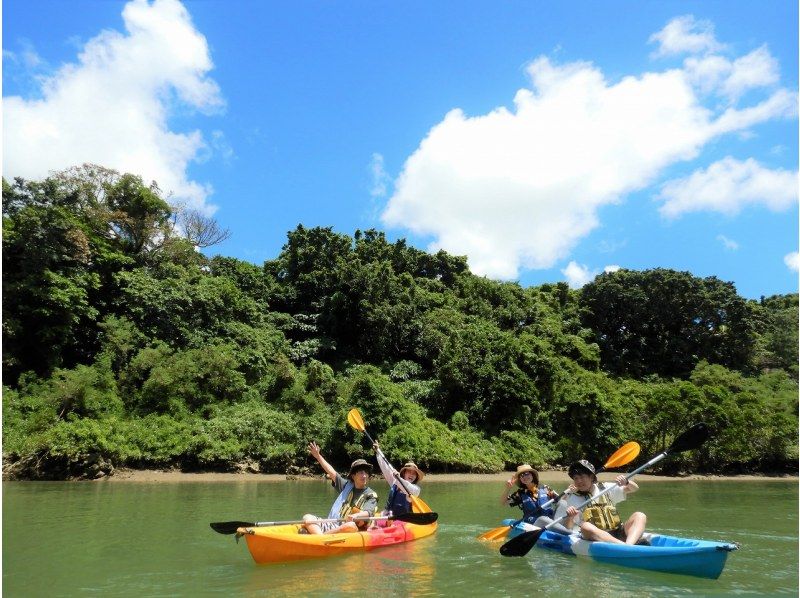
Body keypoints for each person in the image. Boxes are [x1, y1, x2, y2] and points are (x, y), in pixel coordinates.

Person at [539, 459, 647, 545]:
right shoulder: (573, 498)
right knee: (585, 527)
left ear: (591, 477)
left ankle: (628, 546)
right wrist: (570, 517)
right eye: (576, 478)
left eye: (582, 477)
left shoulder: (606, 488)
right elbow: (569, 528)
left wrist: (627, 482)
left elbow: (634, 488)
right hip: (596, 537)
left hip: (618, 532)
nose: (579, 481)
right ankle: (625, 547)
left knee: (640, 515)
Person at [301, 441, 378, 535]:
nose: (364, 476)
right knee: (307, 517)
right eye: (361, 472)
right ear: (353, 476)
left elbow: (368, 512)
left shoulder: (371, 495)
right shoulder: (346, 486)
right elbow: (331, 472)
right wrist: (318, 456)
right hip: (335, 524)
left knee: (350, 526)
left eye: (366, 472)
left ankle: (318, 536)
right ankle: (321, 538)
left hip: (351, 530)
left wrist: (357, 515)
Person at [373, 441, 424, 517]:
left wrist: (398, 478)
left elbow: (406, 487)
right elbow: (386, 467)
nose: (411, 475)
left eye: (414, 473)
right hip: (389, 516)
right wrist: (378, 451)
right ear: (404, 473)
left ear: (416, 477)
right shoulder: (395, 482)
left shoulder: (416, 490)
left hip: (405, 520)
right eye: (409, 472)